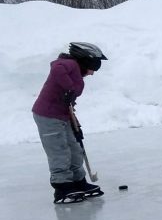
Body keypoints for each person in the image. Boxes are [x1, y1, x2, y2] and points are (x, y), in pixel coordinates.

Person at [32, 42, 107, 204]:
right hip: (48, 116)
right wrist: (69, 88)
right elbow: (57, 68)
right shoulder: (68, 64)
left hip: (62, 116)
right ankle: (62, 187)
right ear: (86, 60)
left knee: (74, 148)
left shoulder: (74, 71)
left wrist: (71, 102)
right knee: (60, 151)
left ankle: (78, 181)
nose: (93, 72)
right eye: (94, 66)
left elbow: (67, 97)